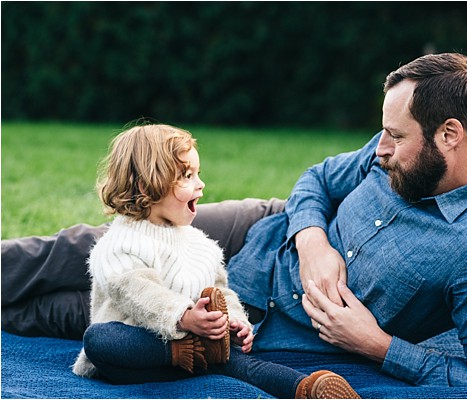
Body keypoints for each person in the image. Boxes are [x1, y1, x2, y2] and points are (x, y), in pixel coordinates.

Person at [2, 52, 467, 388]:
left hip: (260, 317)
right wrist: (311, 237)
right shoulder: (393, 147)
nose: (382, 148)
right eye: (383, 132)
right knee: (81, 247)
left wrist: (378, 346)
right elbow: (318, 181)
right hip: (263, 229)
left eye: (396, 136)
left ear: (450, 134)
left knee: (74, 313)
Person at [74, 124, 359, 399]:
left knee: (242, 364)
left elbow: (221, 291)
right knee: (100, 339)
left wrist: (234, 322)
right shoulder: (120, 243)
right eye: (186, 176)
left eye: (198, 173)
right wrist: (184, 317)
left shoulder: (199, 243)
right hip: (138, 354)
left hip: (199, 349)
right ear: (146, 187)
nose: (201, 184)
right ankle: (185, 354)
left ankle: (306, 389)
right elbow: (139, 292)